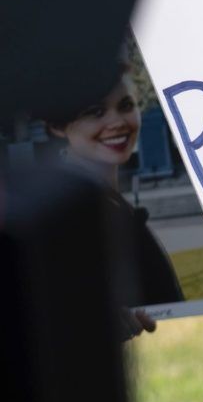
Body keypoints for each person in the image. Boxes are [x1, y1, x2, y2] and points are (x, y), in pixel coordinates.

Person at [42, 67, 183, 314]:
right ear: (58, 126)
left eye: (126, 105)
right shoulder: (69, 213)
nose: (117, 122)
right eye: (95, 112)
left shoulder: (107, 202)